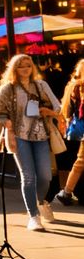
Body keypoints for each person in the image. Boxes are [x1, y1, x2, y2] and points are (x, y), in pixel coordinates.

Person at [0, 54, 62, 231]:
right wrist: (7, 124)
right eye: (21, 66)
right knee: (28, 177)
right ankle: (34, 216)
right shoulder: (8, 88)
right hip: (19, 136)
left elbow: (58, 107)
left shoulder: (41, 85)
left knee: (45, 176)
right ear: (14, 69)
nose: (25, 69)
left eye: (28, 66)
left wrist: (47, 111)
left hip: (40, 136)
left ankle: (39, 201)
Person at [56, 59, 84, 206]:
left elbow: (66, 108)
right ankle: (66, 192)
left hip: (80, 129)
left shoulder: (73, 86)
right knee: (80, 162)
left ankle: (66, 192)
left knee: (80, 161)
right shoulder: (80, 87)